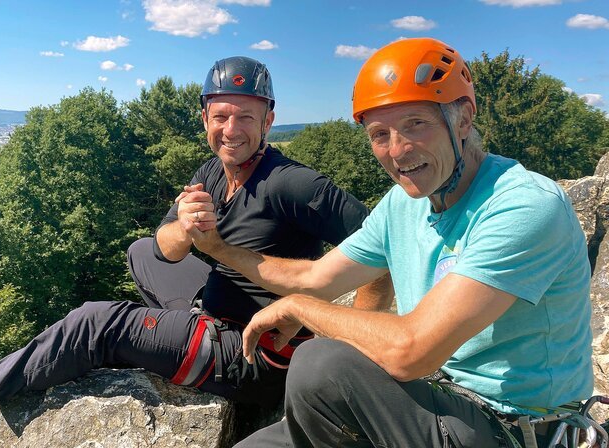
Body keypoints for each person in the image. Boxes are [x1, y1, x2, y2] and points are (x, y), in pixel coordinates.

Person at [0, 56, 387, 414]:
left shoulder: (293, 185)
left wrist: (351, 344)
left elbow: (383, 247)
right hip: (213, 303)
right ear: (205, 119)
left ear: (269, 121)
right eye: (220, 116)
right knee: (140, 254)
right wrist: (186, 228)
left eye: (245, 117)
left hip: (248, 351)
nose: (231, 129)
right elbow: (165, 247)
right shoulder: (212, 172)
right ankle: (173, 328)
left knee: (98, 322)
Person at [184, 38, 594, 447]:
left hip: (511, 427)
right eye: (380, 134)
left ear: (464, 120)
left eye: (416, 123)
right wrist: (220, 248)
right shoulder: (404, 203)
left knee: (320, 362)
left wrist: (298, 308)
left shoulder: (522, 205)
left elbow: (411, 350)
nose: (398, 150)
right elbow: (315, 278)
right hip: (428, 402)